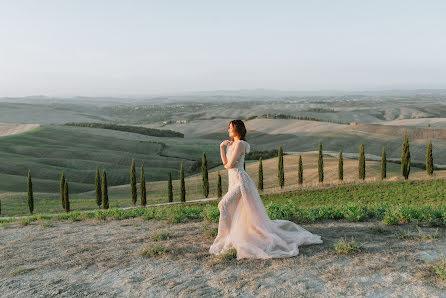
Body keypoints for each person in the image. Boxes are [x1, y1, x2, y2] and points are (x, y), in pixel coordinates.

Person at [209, 119, 323, 259]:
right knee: (229, 207)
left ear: (238, 129)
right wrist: (221, 147)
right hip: (233, 181)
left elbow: (230, 165)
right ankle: (232, 235)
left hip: (240, 181)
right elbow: (225, 163)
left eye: (231, 128)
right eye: (228, 128)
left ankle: (225, 237)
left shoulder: (240, 144)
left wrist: (227, 162)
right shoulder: (232, 145)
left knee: (224, 204)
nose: (229, 130)